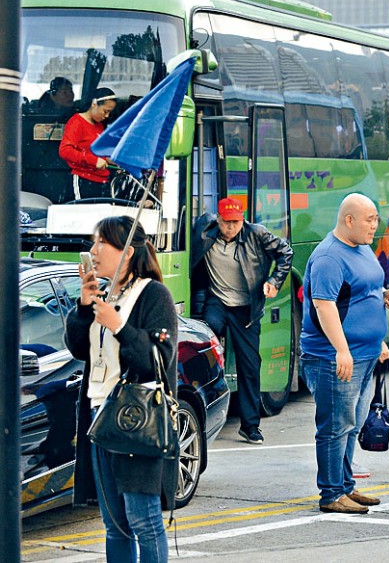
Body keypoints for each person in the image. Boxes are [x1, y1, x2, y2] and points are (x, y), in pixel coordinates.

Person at [65, 216, 178, 563]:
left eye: (103, 243)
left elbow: (158, 358)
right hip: (100, 415)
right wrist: (85, 309)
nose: (94, 251)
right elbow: (79, 349)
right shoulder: (106, 291)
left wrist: (120, 326)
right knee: (113, 523)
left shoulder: (154, 294)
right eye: (94, 242)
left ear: (127, 252)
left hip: (135, 418)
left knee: (143, 520)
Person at [301, 193, 389, 514]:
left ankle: (345, 486)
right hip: (334, 357)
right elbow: (323, 305)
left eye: (375, 219)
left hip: (365, 352)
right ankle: (331, 494)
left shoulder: (361, 248)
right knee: (334, 425)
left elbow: (361, 292)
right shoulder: (330, 257)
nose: (376, 225)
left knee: (350, 423)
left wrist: (381, 298)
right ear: (349, 220)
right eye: (370, 219)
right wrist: (341, 350)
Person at [191, 197, 293, 445]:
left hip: (246, 309)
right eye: (227, 222)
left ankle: (250, 426)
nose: (231, 227)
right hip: (217, 301)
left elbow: (285, 253)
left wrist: (274, 281)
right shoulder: (206, 231)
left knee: (249, 366)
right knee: (207, 339)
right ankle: (205, 410)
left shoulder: (256, 234)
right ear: (219, 219)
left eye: (236, 222)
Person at [58, 87, 116, 200]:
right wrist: (93, 161)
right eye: (105, 111)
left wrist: (110, 160)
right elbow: (65, 150)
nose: (107, 116)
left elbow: (98, 152)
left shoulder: (99, 125)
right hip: (82, 180)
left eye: (109, 112)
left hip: (101, 182)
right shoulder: (76, 122)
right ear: (94, 104)